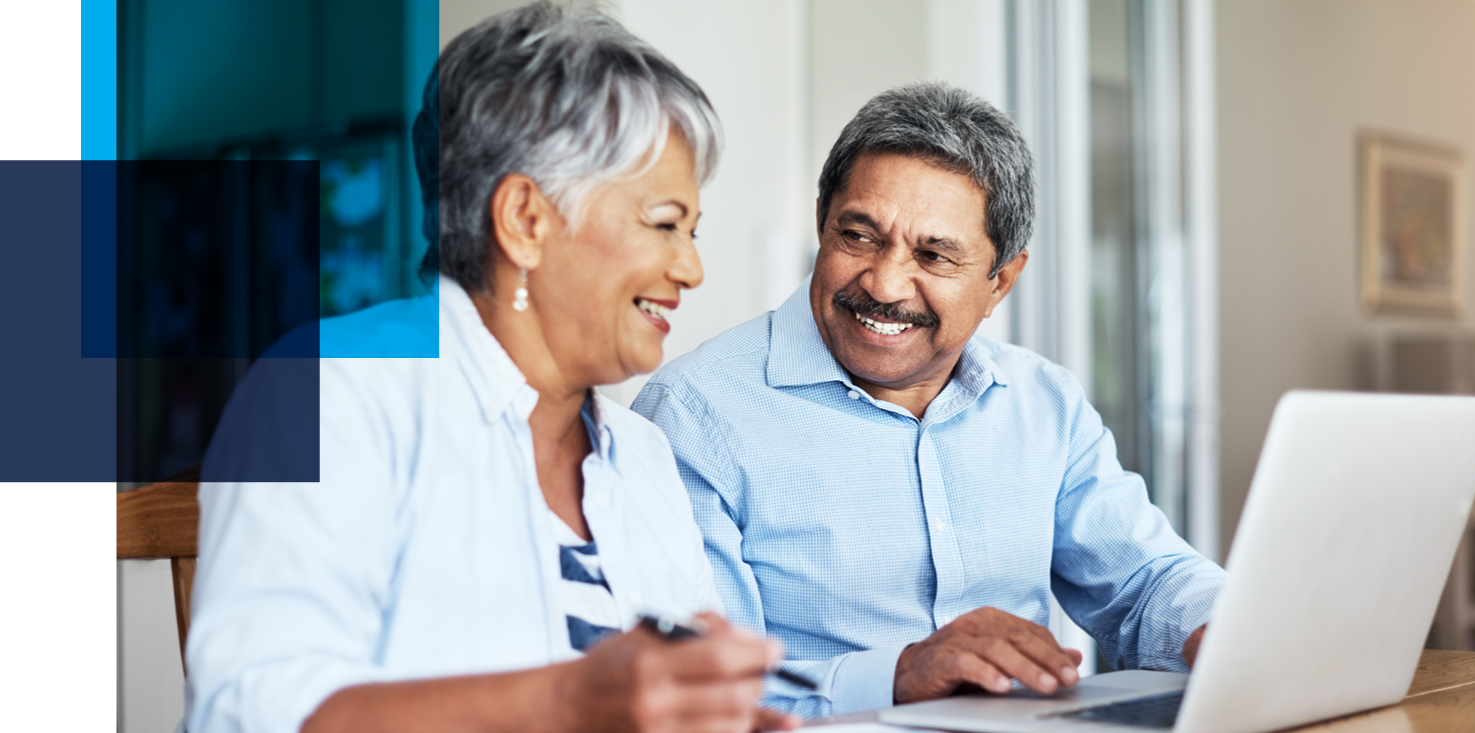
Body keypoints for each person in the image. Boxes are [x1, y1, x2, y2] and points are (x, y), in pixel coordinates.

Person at [185, 5, 797, 732]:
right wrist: (571, 701)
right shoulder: (326, 389)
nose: (690, 267)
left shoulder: (644, 455)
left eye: (691, 232)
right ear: (525, 220)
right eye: (664, 224)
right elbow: (247, 714)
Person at [631, 82, 1226, 719]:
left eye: (934, 255)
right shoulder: (692, 413)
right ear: (821, 223)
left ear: (1002, 281)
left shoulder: (1043, 403)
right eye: (858, 237)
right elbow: (697, 695)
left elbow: (1143, 581)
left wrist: (1226, 627)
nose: (885, 283)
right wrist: (898, 675)